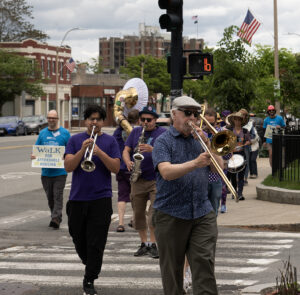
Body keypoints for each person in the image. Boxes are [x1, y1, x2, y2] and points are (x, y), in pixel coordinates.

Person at [152, 96, 223, 295]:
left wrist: (208, 144)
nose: (192, 118)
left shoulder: (199, 139)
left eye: (195, 114)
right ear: (174, 114)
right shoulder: (163, 142)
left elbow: (220, 167)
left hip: (202, 211)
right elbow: (166, 172)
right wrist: (195, 163)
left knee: (204, 265)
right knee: (173, 273)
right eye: (187, 113)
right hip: (170, 213)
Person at [64, 105, 121, 295]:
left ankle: (89, 279)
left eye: (97, 119)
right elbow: (69, 167)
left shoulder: (110, 141)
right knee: (78, 237)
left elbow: (115, 169)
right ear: (85, 121)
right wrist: (83, 151)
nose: (94, 122)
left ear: (103, 122)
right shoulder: (74, 140)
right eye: (90, 119)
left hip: (101, 199)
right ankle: (91, 263)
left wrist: (99, 153)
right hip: (77, 198)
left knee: (96, 242)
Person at [123, 106, 166, 259]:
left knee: (153, 214)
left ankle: (154, 244)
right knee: (138, 213)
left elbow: (168, 153)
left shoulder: (162, 133)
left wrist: (152, 149)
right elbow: (126, 150)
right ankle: (144, 243)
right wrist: (128, 161)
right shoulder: (135, 132)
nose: (145, 122)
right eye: (143, 120)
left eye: (149, 120)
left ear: (155, 120)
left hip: (156, 178)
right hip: (138, 178)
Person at [32, 110, 70, 229]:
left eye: (53, 118)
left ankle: (56, 218)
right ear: (47, 119)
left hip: (60, 172)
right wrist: (34, 156)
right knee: (50, 197)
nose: (51, 120)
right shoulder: (43, 133)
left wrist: (66, 156)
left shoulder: (65, 133)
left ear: (57, 119)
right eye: (49, 118)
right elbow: (37, 150)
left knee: (57, 195)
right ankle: (55, 215)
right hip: (46, 172)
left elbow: (71, 150)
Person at [113, 109, 139, 232]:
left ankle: (121, 223)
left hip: (122, 166)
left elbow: (114, 142)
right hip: (136, 165)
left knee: (122, 195)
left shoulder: (119, 132)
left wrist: (121, 121)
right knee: (136, 195)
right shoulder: (139, 131)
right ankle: (134, 220)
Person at [203, 108, 227, 215]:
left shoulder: (220, 133)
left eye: (211, 123)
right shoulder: (198, 132)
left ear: (215, 122)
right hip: (200, 178)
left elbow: (228, 155)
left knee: (214, 209)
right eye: (205, 123)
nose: (208, 126)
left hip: (215, 177)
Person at [226, 111, 251, 201]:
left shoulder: (245, 131)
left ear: (242, 121)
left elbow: (249, 141)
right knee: (232, 174)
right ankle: (234, 192)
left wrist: (246, 143)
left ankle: (240, 193)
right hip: (232, 155)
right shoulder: (229, 131)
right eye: (235, 119)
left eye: (239, 119)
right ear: (233, 120)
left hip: (241, 153)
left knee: (241, 174)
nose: (237, 121)